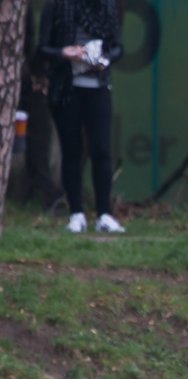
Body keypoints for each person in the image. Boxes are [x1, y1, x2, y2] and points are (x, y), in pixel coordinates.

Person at [37, 0, 126, 234]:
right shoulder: (56, 7)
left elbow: (118, 47)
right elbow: (42, 48)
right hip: (67, 89)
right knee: (71, 150)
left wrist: (104, 60)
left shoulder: (107, 7)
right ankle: (76, 213)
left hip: (98, 87)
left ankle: (104, 214)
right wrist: (64, 53)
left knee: (101, 150)